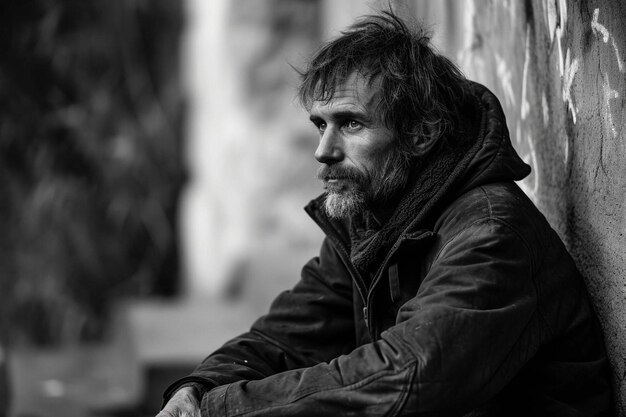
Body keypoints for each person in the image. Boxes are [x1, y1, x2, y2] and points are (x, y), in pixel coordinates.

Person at [158, 11, 613, 417]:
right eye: (321, 124)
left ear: (421, 133)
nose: (323, 151)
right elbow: (290, 336)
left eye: (350, 123)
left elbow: (411, 376)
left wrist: (219, 411)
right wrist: (199, 388)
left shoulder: (491, 233)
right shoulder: (373, 217)